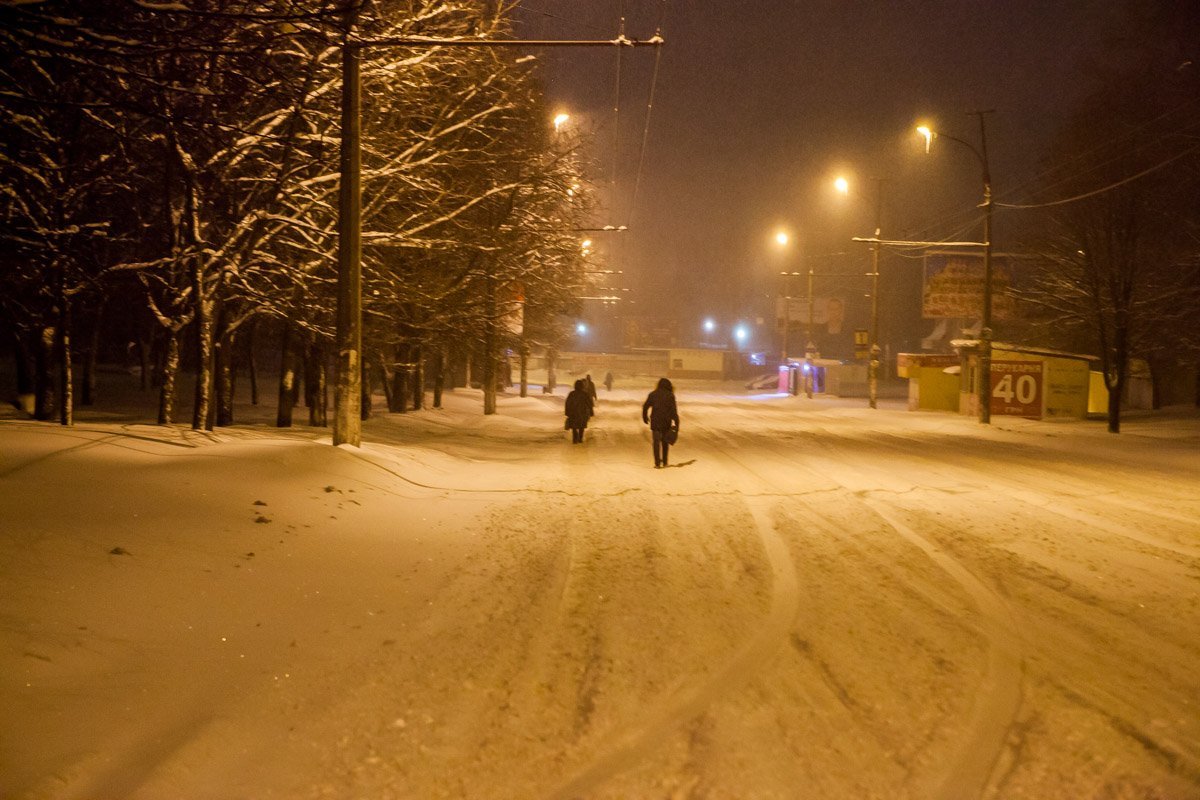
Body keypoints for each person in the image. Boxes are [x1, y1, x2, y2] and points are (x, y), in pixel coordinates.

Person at [642, 377, 680, 468]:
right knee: (665, 442)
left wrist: (645, 417)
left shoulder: (653, 394)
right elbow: (673, 410)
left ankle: (657, 463)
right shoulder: (670, 395)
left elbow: (645, 406)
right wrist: (676, 421)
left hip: (655, 422)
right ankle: (665, 462)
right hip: (666, 422)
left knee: (656, 442)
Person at [564, 379, 591, 444]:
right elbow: (589, 404)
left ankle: (575, 438)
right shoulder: (585, 394)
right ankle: (580, 438)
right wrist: (591, 412)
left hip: (573, 413)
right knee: (581, 426)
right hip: (582, 413)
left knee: (574, 426)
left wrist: (567, 412)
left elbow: (567, 403)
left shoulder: (572, 394)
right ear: (582, 386)